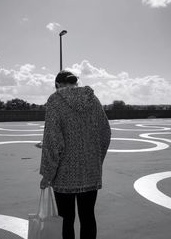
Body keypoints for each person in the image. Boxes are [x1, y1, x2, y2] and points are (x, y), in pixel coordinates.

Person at [39, 70, 111, 239]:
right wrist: (95, 161)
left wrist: (47, 175)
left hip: (64, 175)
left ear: (57, 85)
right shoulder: (93, 100)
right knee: (88, 217)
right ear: (75, 83)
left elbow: (53, 141)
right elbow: (105, 133)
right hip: (90, 173)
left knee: (66, 220)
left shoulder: (55, 101)